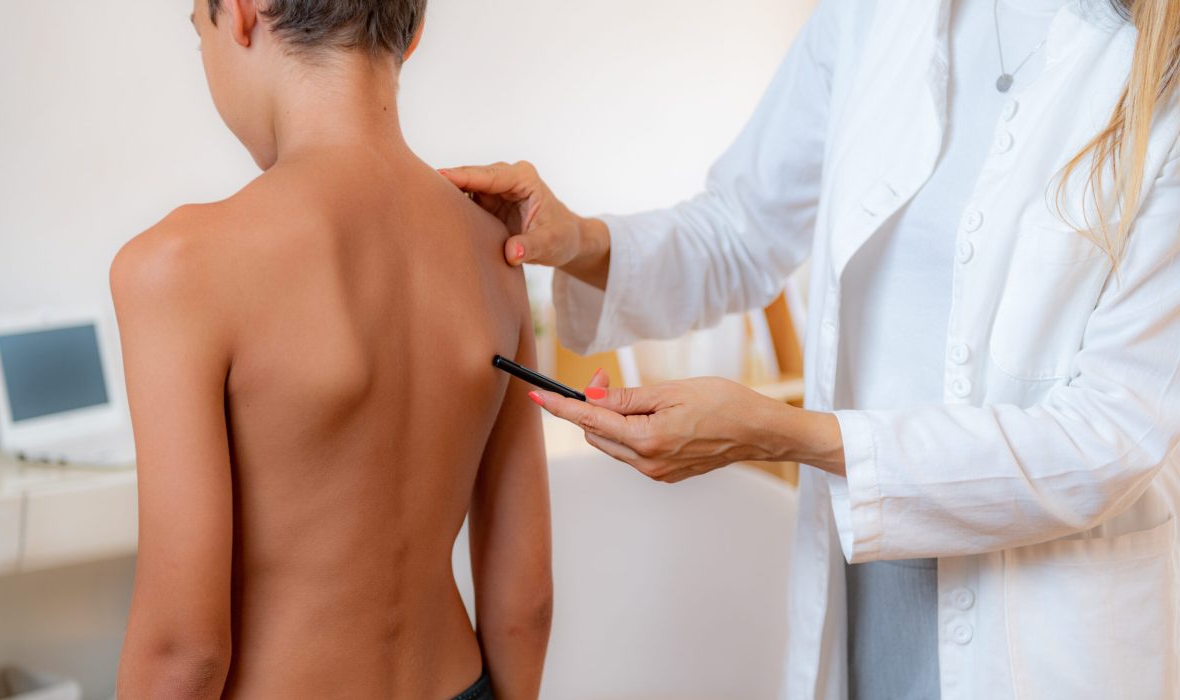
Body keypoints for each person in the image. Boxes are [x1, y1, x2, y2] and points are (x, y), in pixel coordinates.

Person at [442, 0, 1180, 697]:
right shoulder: (872, 16)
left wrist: (790, 434)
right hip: (864, 611)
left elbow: (1109, 436)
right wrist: (582, 242)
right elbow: (739, 230)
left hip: (1049, 645)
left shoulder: (1159, 70)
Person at [112, 1, 552, 698]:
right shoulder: (495, 249)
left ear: (246, 12)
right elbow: (524, 604)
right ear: (412, 31)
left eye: (198, 29)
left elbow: (184, 652)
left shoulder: (180, 265)